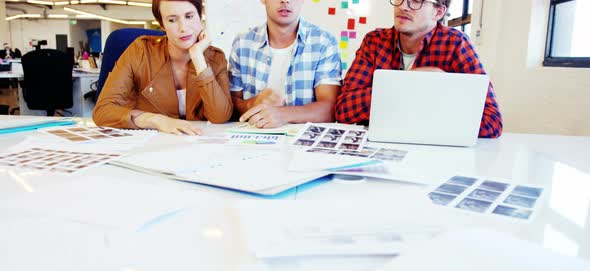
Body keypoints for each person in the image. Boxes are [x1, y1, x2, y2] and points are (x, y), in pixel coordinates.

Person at [335, 0, 502, 138]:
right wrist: (408, 83)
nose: (402, 6)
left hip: (434, 152)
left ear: (438, 12)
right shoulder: (375, 41)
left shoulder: (456, 44)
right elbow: (344, 110)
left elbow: (492, 121)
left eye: (416, 1)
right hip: (381, 147)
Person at [93, 0, 232, 135]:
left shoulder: (215, 58)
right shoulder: (140, 51)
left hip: (196, 142)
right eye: (172, 20)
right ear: (162, 25)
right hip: (148, 144)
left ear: (200, 16)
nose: (183, 28)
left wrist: (197, 56)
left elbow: (220, 116)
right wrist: (155, 120)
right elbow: (102, 111)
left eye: (189, 16)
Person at [229, 0, 342, 129]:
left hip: (301, 145)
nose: (285, 1)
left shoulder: (324, 42)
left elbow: (330, 109)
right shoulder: (242, 42)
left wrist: (283, 114)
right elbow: (228, 107)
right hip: (250, 142)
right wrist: (251, 103)